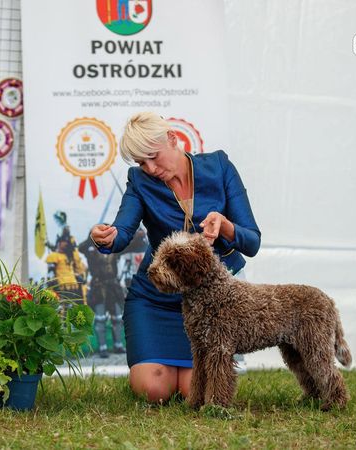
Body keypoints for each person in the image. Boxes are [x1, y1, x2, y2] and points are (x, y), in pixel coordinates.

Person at [90, 112, 260, 403]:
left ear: (172, 138)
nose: (150, 168)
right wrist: (104, 236)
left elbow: (252, 242)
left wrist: (225, 226)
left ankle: (184, 374)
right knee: (153, 389)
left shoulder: (219, 166)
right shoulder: (139, 181)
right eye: (141, 162)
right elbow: (122, 231)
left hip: (212, 300)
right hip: (155, 297)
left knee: (197, 390)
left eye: (153, 157)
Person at [78, 228, 147, 358]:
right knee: (100, 318)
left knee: (117, 317)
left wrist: (137, 236)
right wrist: (92, 235)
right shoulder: (90, 250)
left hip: (113, 287)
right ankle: (102, 348)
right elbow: (80, 247)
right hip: (99, 287)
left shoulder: (115, 248)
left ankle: (118, 345)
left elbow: (130, 246)